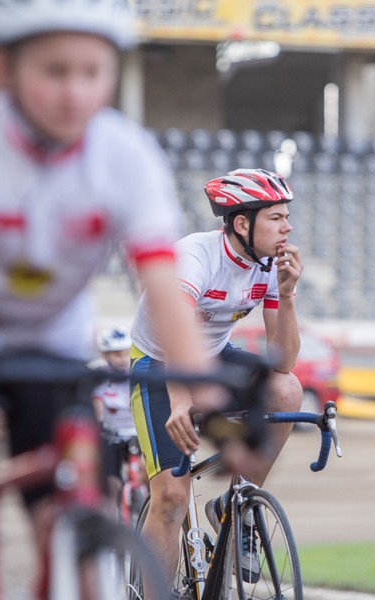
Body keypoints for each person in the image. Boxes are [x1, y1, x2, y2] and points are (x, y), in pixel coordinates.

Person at [0, 1, 210, 598]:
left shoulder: (126, 156)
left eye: (93, 72)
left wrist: (204, 387)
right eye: (54, 71)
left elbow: (165, 288)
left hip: (49, 335)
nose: (75, 92)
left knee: (62, 504)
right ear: (2, 68)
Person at [130, 168, 303, 594]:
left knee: (287, 390)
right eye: (277, 217)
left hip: (213, 356)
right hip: (157, 360)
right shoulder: (195, 256)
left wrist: (286, 293)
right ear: (242, 223)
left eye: (287, 216)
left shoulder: (266, 266)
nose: (288, 226)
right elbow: (175, 336)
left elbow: (282, 362)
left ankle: (236, 501)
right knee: (170, 496)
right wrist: (180, 403)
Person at [90, 327, 141, 512]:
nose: (122, 359)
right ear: (104, 355)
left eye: (126, 353)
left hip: (137, 432)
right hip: (111, 433)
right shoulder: (98, 375)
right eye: (116, 354)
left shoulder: (139, 371)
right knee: (111, 483)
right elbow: (95, 405)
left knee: (147, 473)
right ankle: (111, 518)